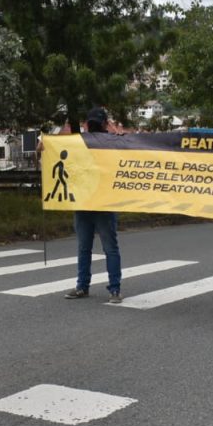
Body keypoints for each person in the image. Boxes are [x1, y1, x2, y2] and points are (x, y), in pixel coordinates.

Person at [62, 107, 123, 303]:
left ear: (87, 124)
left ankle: (85, 287)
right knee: (106, 248)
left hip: (89, 200)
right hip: (97, 201)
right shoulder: (113, 142)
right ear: (105, 123)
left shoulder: (81, 142)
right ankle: (111, 290)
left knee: (87, 248)